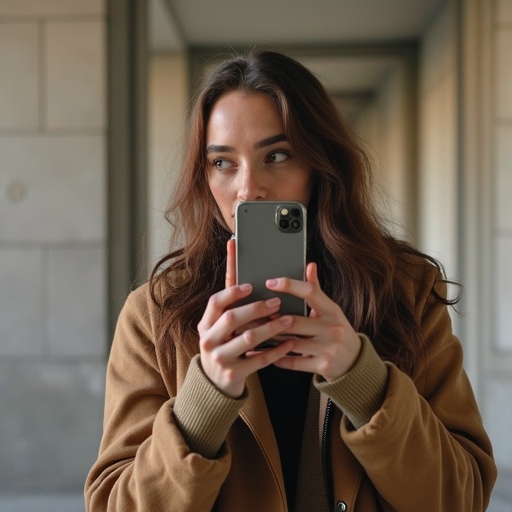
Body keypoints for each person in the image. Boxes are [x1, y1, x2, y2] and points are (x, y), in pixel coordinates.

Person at [85, 50, 497, 511]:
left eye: (276, 155)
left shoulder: (405, 290)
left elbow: (463, 498)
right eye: (223, 162)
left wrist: (362, 379)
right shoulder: (156, 314)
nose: (248, 188)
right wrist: (206, 398)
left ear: (322, 163)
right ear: (203, 176)